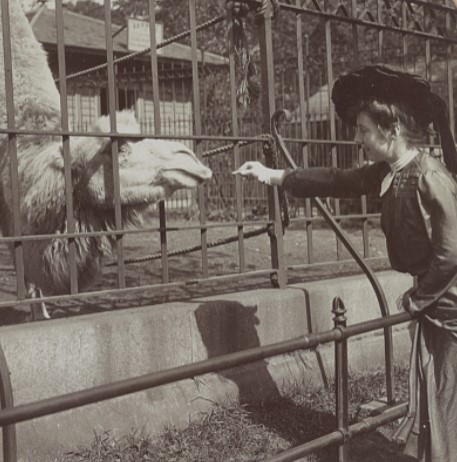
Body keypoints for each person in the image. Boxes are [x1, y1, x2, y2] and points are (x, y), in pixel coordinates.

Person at [233, 64, 457, 462]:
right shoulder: (390, 172)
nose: (357, 139)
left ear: (392, 131)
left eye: (364, 130)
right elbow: (337, 179)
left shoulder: (429, 176)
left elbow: (452, 252)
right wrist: (275, 175)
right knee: (439, 395)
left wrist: (419, 298)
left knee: (448, 393)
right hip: (435, 300)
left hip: (448, 303)